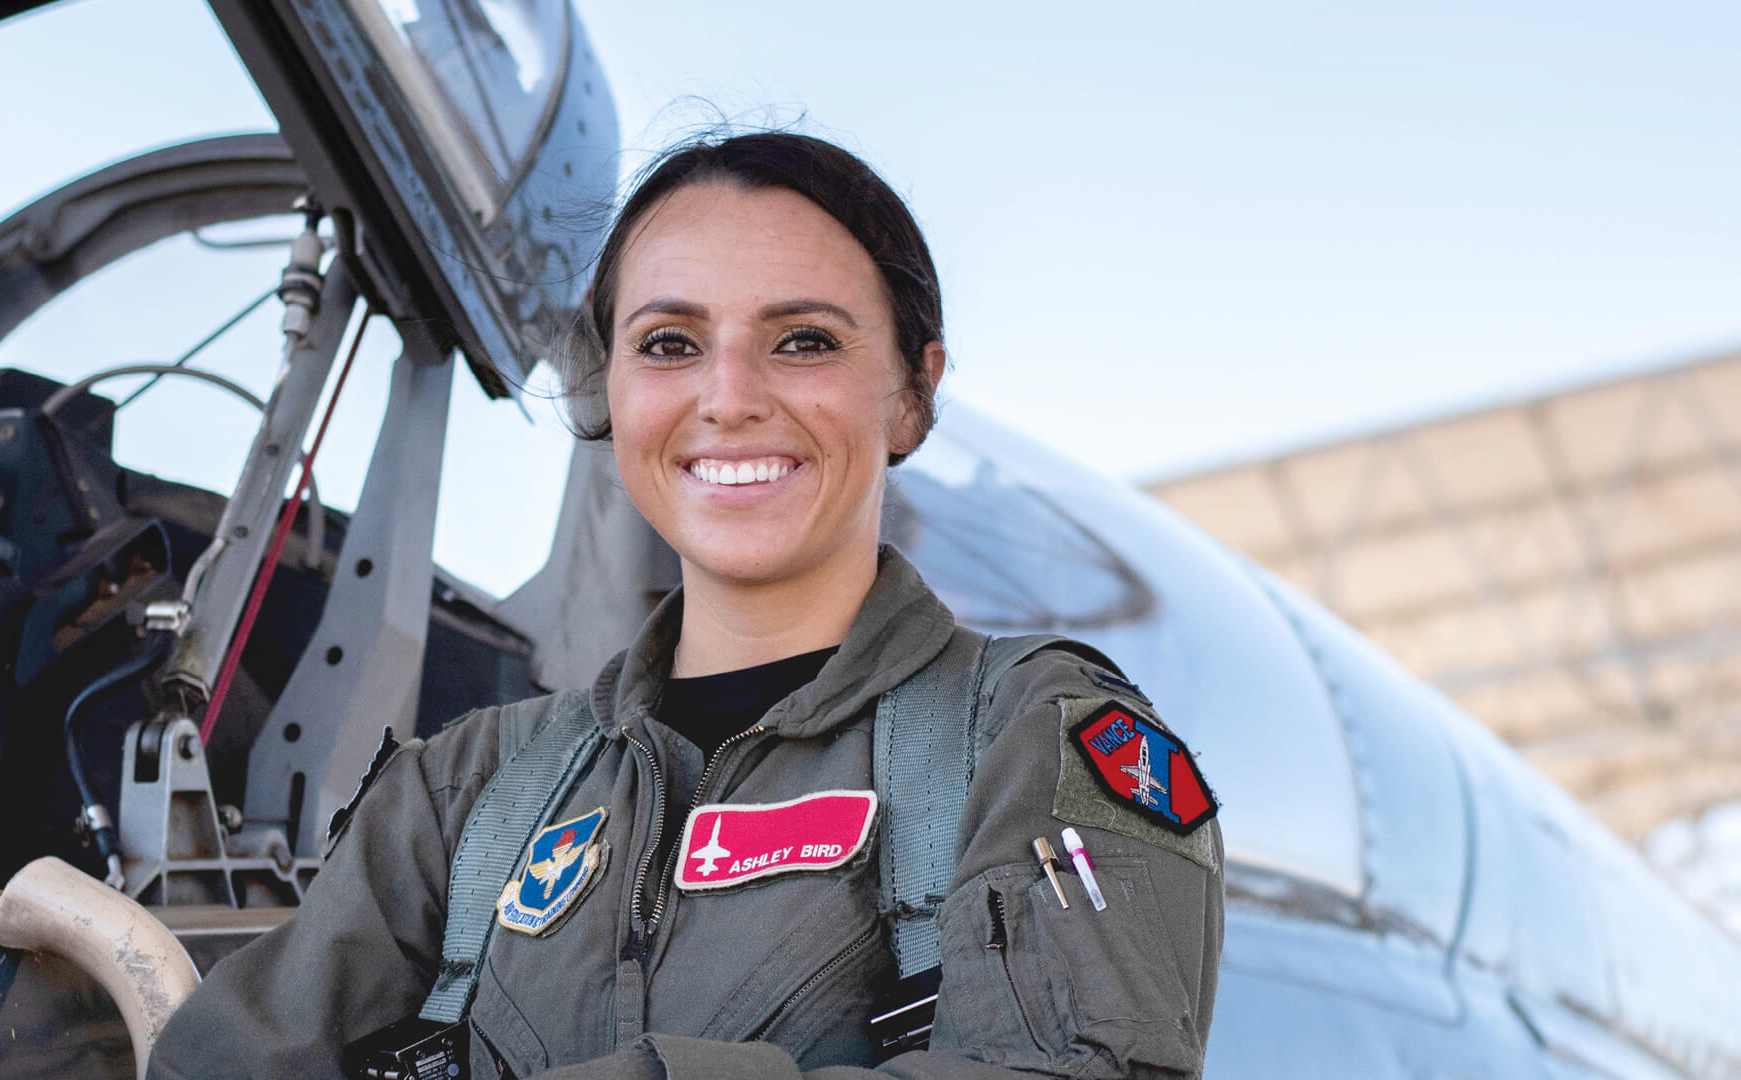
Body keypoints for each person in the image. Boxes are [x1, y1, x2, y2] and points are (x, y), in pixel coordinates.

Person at [148, 131, 1224, 1080]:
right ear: (606, 393)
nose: (729, 397)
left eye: (803, 339)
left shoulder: (1039, 742)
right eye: (669, 343)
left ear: (910, 390)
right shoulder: (460, 797)